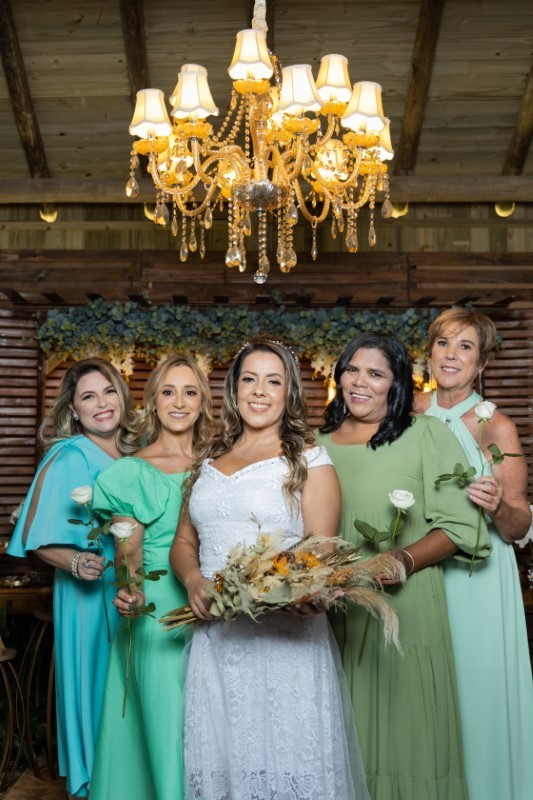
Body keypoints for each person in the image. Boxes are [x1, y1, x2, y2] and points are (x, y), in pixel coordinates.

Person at [170, 338, 370, 800]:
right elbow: (184, 542)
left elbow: (320, 553)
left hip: (286, 644)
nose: (260, 391)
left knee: (287, 763)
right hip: (216, 639)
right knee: (223, 763)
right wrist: (194, 580)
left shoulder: (309, 461)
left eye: (273, 381)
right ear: (234, 389)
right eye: (250, 379)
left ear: (289, 392)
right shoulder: (206, 461)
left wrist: (301, 594)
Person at [317, 332, 492, 800]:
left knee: (406, 738)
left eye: (375, 374)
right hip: (331, 612)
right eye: (352, 370)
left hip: (405, 608)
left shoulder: (425, 434)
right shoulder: (313, 446)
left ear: (396, 384)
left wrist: (404, 558)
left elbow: (461, 525)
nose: (360, 382)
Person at [415, 307, 533, 800]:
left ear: (481, 362)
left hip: (476, 579)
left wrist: (498, 505)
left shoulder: (496, 426)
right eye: (443, 343)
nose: (451, 355)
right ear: (429, 352)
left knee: (473, 693)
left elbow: (520, 525)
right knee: (421, 695)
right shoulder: (407, 412)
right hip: (418, 570)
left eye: (465, 346)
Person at [7, 358, 138, 799]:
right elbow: (36, 537)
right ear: (74, 410)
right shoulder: (69, 455)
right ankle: (97, 785)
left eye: (109, 391)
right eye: (88, 396)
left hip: (135, 589)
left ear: (123, 396)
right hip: (90, 599)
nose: (102, 403)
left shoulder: (136, 452)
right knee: (98, 691)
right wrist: (77, 561)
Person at [89, 354, 214, 800]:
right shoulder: (132, 471)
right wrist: (132, 589)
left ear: (203, 402)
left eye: (189, 392)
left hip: (221, 604)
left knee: (215, 728)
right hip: (160, 608)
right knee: (169, 727)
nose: (179, 402)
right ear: (152, 402)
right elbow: (128, 548)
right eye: (168, 392)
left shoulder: (221, 463)